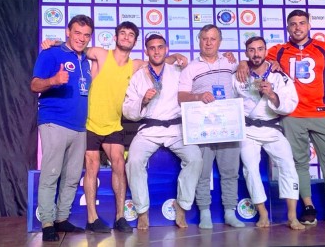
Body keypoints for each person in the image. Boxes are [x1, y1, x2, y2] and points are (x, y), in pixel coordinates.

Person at [42, 22, 187, 233]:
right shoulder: (101, 54)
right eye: (123, 33)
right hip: (89, 122)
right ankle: (92, 219)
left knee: (120, 164)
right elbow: (77, 45)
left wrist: (176, 57)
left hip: (113, 124)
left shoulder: (136, 65)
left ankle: (120, 217)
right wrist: (53, 42)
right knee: (92, 166)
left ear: (135, 41)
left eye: (131, 35)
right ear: (115, 37)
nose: (126, 37)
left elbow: (158, 60)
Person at [238, 9, 325, 224]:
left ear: (309, 25)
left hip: (322, 113)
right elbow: (255, 59)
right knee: (299, 163)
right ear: (287, 27)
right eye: (293, 24)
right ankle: (308, 207)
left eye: (301, 23)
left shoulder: (324, 48)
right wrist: (241, 63)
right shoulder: (278, 51)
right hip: (293, 116)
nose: (297, 27)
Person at [122, 34, 203, 230]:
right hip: (149, 128)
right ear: (146, 51)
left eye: (160, 47)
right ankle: (142, 210)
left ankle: (182, 206)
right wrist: (143, 100)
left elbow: (202, 72)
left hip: (176, 128)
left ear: (166, 49)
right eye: (152, 48)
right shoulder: (139, 76)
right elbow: (127, 110)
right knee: (133, 161)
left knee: (195, 158)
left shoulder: (179, 71)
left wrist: (235, 60)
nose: (156, 51)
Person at [31, 15, 94, 241]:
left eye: (86, 35)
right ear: (68, 31)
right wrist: (53, 80)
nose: (81, 38)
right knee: (51, 173)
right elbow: (34, 84)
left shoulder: (86, 60)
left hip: (79, 126)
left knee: (72, 176)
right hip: (54, 121)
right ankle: (47, 222)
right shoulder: (51, 53)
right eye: (77, 33)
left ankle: (61, 219)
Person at [232, 36, 304, 230]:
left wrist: (272, 94)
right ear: (247, 53)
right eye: (252, 50)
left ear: (266, 51)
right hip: (247, 130)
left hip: (272, 128)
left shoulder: (280, 76)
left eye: (260, 49)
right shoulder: (238, 75)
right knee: (250, 169)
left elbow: (290, 104)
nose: (256, 54)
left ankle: (292, 215)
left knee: (288, 165)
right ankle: (262, 213)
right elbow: (230, 103)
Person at [178, 24, 244, 229]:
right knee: (202, 172)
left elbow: (248, 66)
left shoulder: (229, 63)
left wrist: (242, 63)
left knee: (230, 171)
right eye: (204, 38)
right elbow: (181, 97)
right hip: (202, 128)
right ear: (199, 41)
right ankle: (204, 212)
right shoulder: (190, 68)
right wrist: (198, 97)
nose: (208, 42)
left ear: (219, 42)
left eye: (213, 39)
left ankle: (230, 212)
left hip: (229, 127)